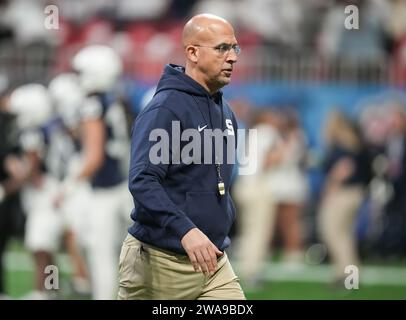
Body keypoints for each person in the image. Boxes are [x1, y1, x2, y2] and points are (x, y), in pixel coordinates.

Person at [118, 13, 245, 300]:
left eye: (234, 48)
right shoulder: (165, 109)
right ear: (192, 52)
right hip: (162, 261)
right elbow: (143, 180)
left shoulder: (225, 112)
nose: (232, 57)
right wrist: (185, 229)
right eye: (222, 48)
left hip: (213, 260)